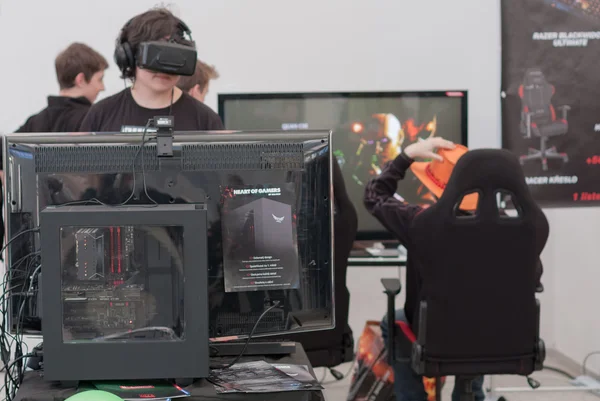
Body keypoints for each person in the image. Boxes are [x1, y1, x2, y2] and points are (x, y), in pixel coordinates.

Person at [364, 137, 545, 401]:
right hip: (497, 337)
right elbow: (533, 280)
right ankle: (469, 393)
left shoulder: (419, 224)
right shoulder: (520, 229)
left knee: (393, 321)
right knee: (480, 319)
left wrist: (407, 155)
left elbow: (374, 195)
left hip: (436, 338)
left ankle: (412, 396)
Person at [80, 8, 223, 132]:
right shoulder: (100, 115)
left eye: (173, 56)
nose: (164, 68)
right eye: (155, 55)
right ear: (130, 56)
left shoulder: (206, 121)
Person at [15, 42, 108, 133]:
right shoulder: (96, 120)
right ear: (80, 80)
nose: (102, 87)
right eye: (100, 79)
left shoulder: (32, 123)